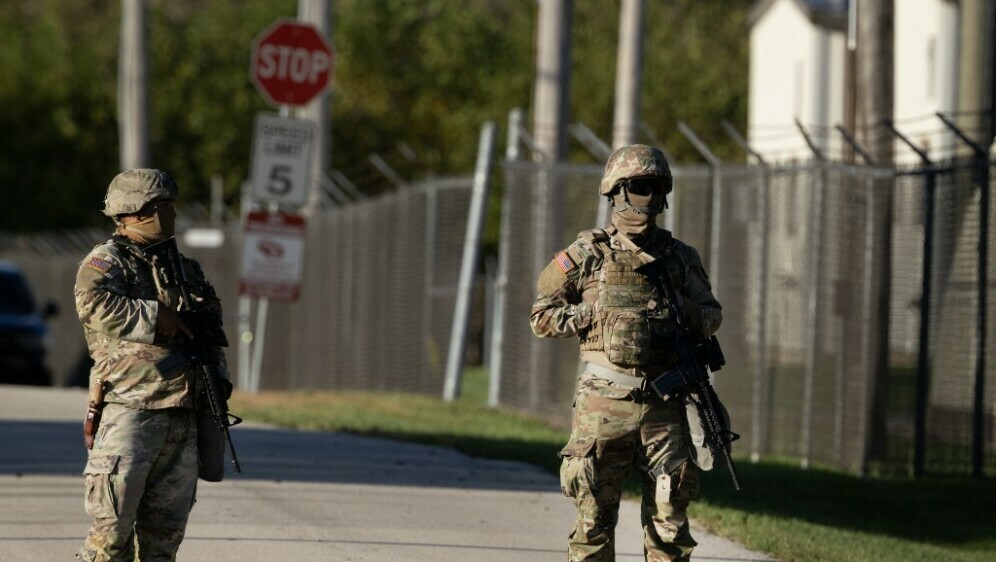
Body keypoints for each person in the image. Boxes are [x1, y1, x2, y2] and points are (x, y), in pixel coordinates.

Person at [530, 145, 724, 562]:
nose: (649, 198)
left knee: (670, 527)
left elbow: (712, 315)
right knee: (593, 522)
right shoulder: (586, 255)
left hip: (665, 407)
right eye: (640, 187)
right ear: (616, 192)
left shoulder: (680, 258)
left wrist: (687, 311)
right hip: (603, 407)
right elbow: (541, 317)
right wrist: (594, 313)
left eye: (657, 188)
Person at [74, 168, 231, 561]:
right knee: (111, 538)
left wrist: (219, 382)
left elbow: (211, 333)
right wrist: (155, 316)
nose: (171, 215)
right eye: (163, 206)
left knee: (164, 541)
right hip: (131, 413)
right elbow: (91, 304)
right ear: (135, 210)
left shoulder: (186, 270)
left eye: (171, 206)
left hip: (182, 415)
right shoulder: (107, 262)